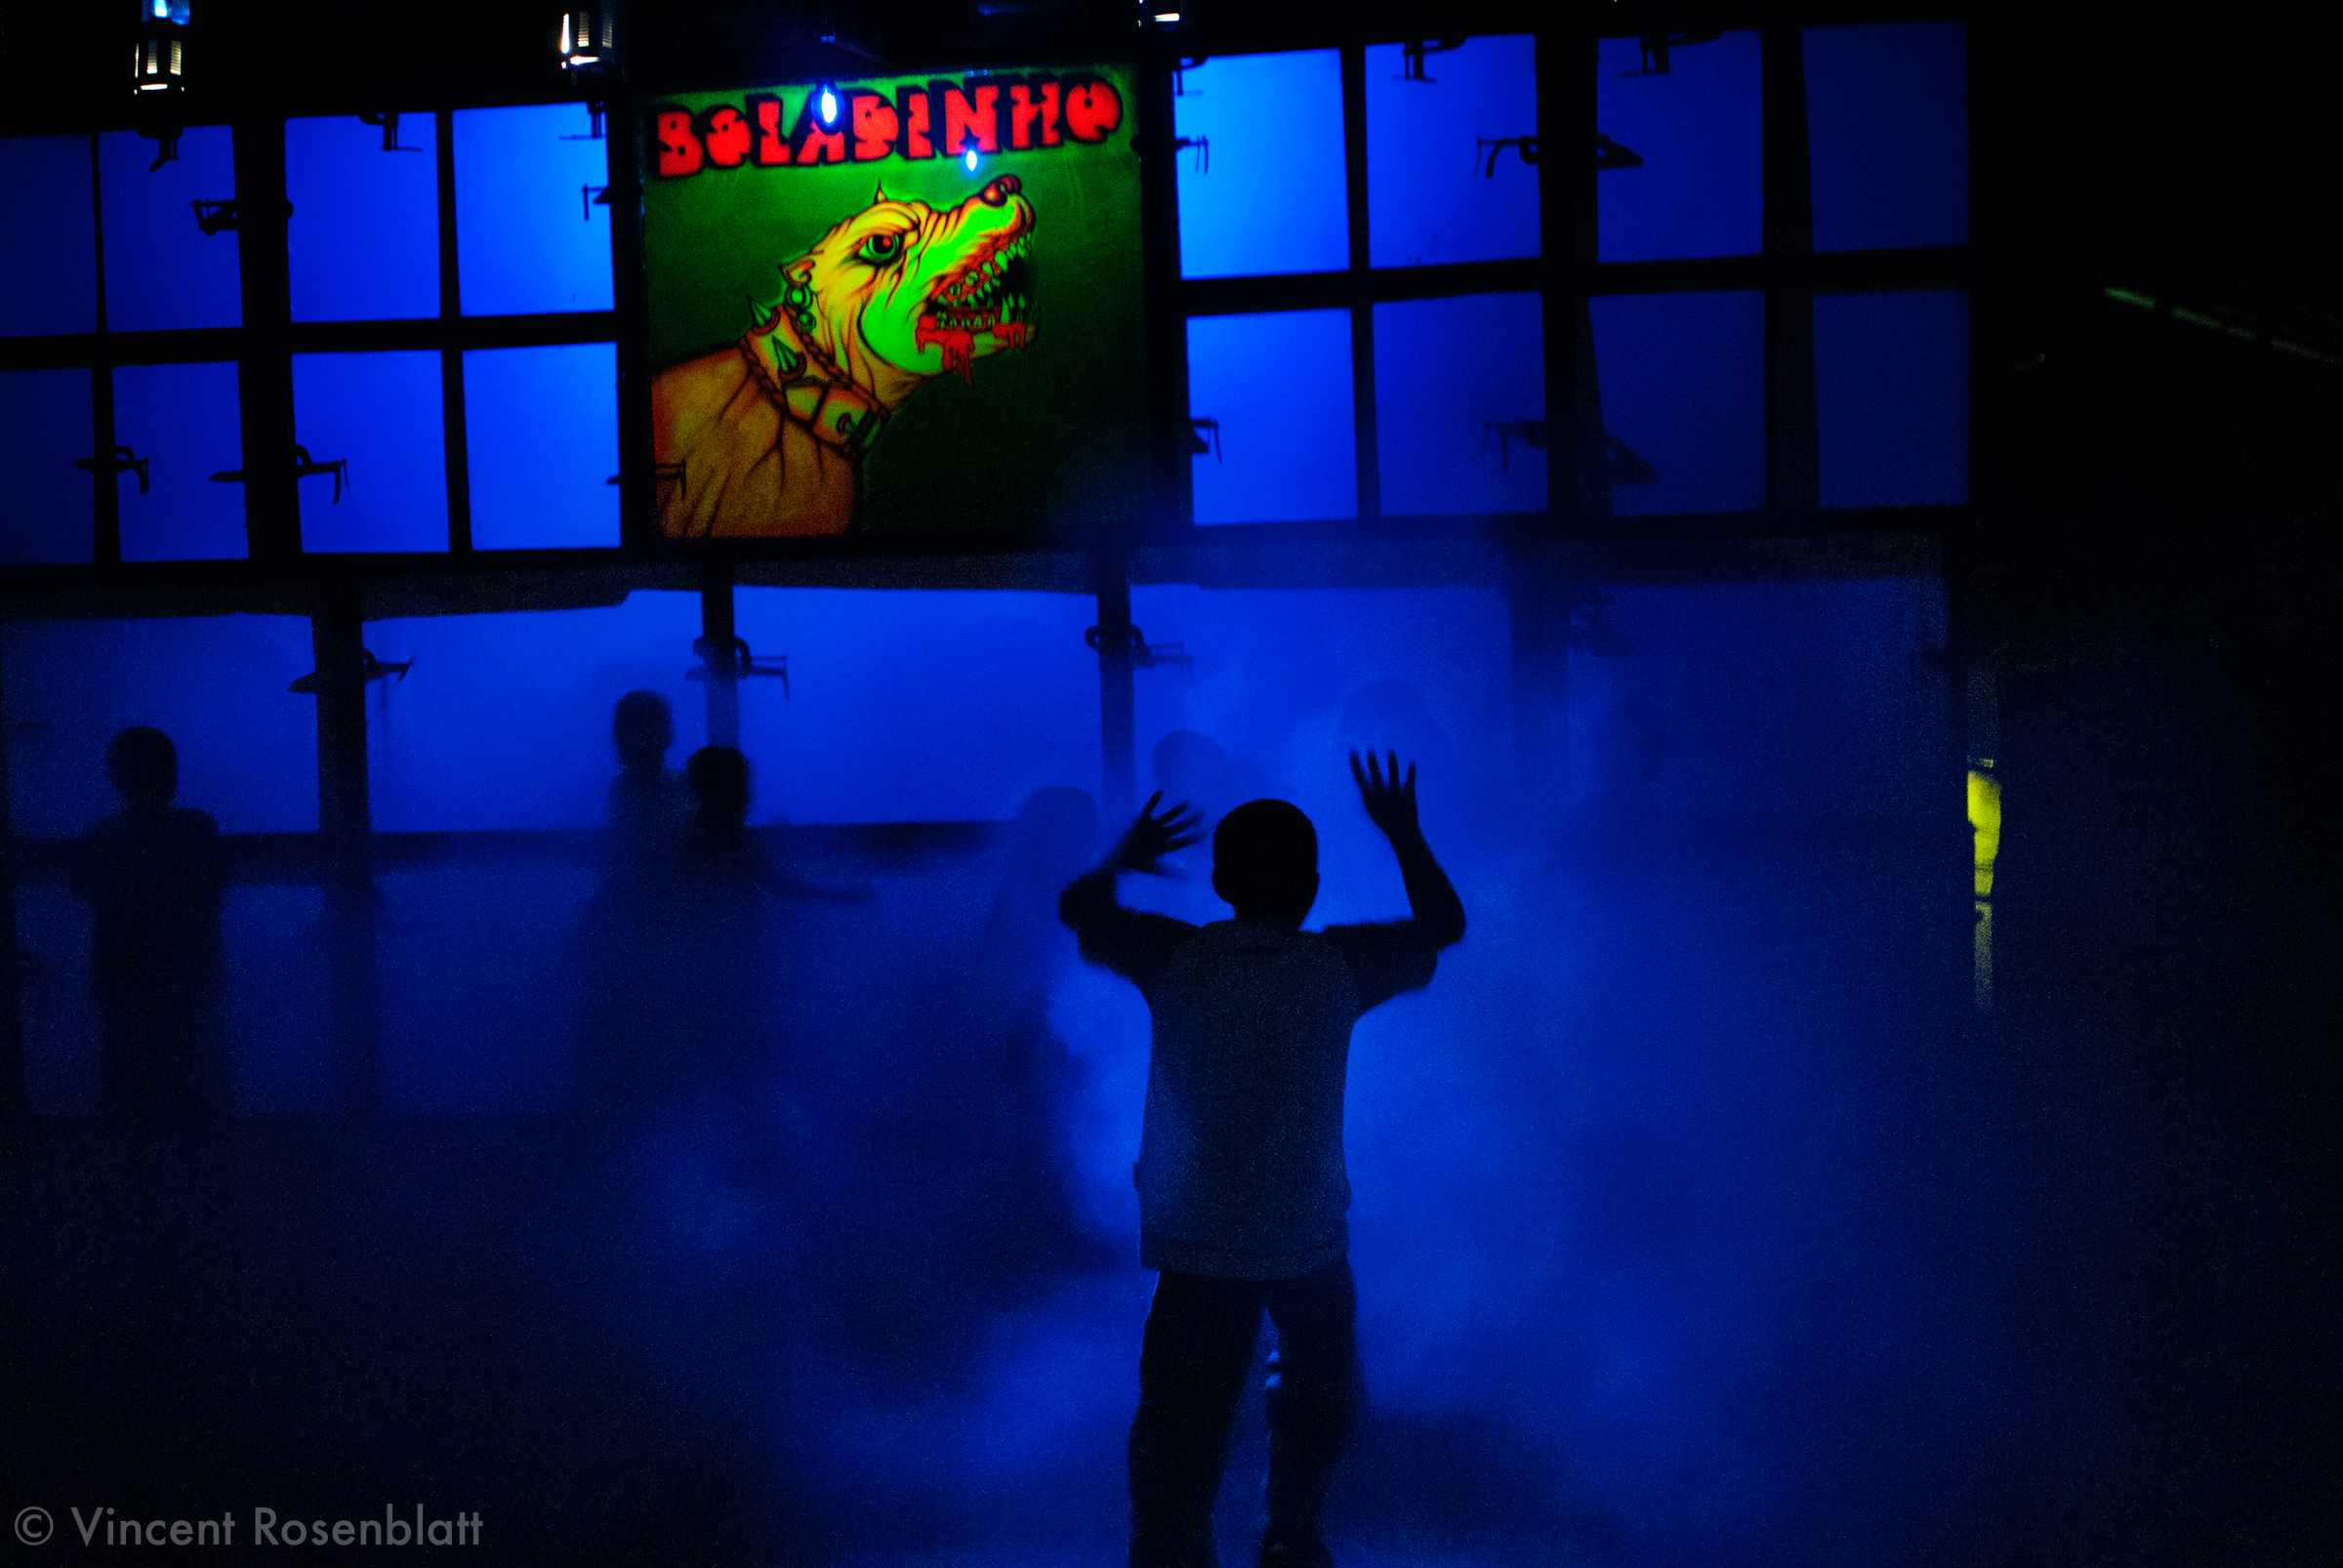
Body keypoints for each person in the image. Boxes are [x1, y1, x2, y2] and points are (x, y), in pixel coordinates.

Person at [1060, 752, 1467, 1568]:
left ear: (1219, 882)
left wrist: (1121, 857)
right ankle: (1289, 1533)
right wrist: (1403, 832)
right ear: (1311, 885)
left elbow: (1078, 907)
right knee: (1315, 1401)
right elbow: (1444, 928)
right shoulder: (1339, 965)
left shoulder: (1173, 955)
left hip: (1198, 1238)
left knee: (1180, 1420)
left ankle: (1170, 1551)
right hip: (1307, 1235)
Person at [69, 725, 229, 1118]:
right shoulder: (197, 830)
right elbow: (212, 891)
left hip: (124, 980)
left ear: (116, 776)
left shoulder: (99, 840)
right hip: (189, 977)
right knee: (195, 1087)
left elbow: (85, 888)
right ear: (170, 773)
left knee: (128, 1089)